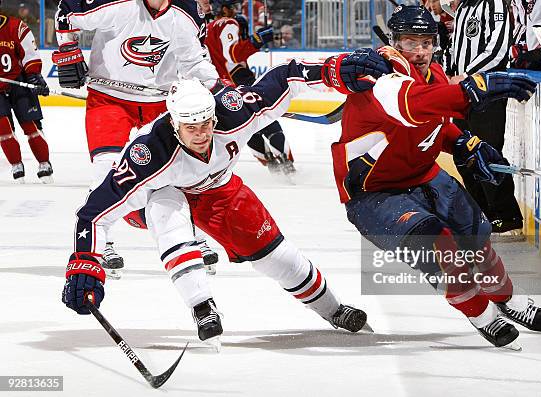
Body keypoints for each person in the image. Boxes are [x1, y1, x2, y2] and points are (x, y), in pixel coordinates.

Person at [60, 51, 392, 340]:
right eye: (190, 127)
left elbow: (285, 76)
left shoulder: (235, 113)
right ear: (174, 123)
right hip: (158, 195)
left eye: (205, 123)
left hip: (219, 188)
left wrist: (331, 69)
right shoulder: (148, 154)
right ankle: (202, 306)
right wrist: (85, 264)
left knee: (276, 257)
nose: (201, 134)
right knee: (167, 211)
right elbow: (93, 214)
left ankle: (333, 309)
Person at [323, 5, 541, 348]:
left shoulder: (436, 75)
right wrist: (474, 87)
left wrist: (465, 142)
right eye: (409, 42)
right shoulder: (378, 75)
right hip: (375, 194)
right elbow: (412, 105)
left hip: (425, 176)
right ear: (393, 42)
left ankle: (504, 295)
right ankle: (479, 312)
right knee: (438, 247)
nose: (419, 51)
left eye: (426, 42)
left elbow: (437, 123)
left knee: (477, 238)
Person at [53, 0, 220, 274]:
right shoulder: (116, 4)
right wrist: (68, 48)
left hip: (160, 101)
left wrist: (216, 88)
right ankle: (100, 241)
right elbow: (66, 14)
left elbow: (192, 60)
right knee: (107, 168)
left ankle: (192, 236)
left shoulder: (187, 14)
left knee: (178, 171)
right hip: (109, 98)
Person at [450, 0, 524, 234]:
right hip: (461, 94)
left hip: (485, 91)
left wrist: (466, 75)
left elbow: (499, 49)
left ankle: (506, 214)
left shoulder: (495, 3)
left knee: (486, 152)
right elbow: (456, 52)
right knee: (463, 153)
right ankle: (482, 212)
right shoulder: (463, 7)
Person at [205, 0, 296, 176]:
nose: (235, 10)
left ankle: (270, 164)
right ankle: (286, 163)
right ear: (223, 9)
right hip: (238, 80)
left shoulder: (207, 28)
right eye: (232, 7)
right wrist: (257, 40)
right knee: (267, 119)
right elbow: (232, 54)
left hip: (218, 87)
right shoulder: (228, 23)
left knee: (245, 127)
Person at [0, 1, 53, 183]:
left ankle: (44, 163)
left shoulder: (16, 26)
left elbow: (30, 54)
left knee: (31, 127)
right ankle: (16, 164)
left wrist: (34, 76)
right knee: (3, 130)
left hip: (18, 83)